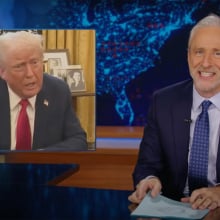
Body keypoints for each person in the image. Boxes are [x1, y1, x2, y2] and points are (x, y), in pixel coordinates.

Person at [128, 14, 220, 210]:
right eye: (199, 52)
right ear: (188, 57)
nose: (205, 63)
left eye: (217, 53)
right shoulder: (163, 101)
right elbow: (146, 165)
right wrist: (149, 180)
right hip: (174, 210)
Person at [0, 31, 88, 151]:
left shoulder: (58, 90)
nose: (30, 74)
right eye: (19, 66)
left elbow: (78, 140)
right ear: (2, 72)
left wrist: (42, 156)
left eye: (35, 63)